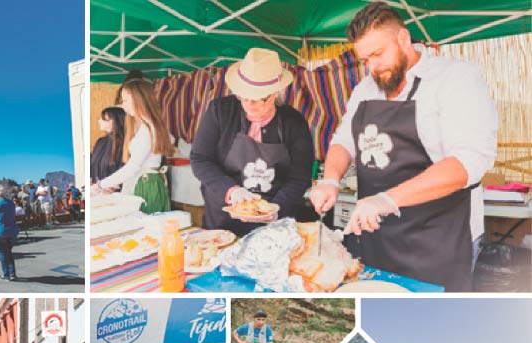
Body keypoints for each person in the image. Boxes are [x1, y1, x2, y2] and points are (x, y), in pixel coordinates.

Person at [309, 2, 496, 291]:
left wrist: (386, 200)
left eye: (378, 54)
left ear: (403, 39)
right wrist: (331, 179)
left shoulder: (455, 79)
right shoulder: (365, 89)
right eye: (365, 60)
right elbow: (343, 141)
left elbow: (467, 162)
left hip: (439, 239)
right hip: (375, 236)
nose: (372, 67)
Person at [191, 47, 314, 237]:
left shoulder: (294, 123)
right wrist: (232, 191)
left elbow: (299, 177)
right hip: (222, 219)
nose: (249, 106)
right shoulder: (220, 111)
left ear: (275, 93)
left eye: (258, 100)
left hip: (273, 225)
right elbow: (200, 159)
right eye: (244, 98)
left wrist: (274, 210)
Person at [92, 78, 174, 214]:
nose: (123, 105)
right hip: (142, 181)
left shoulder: (147, 128)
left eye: (125, 100)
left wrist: (100, 185)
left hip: (145, 185)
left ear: (138, 99)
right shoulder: (146, 125)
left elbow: (133, 167)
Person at [90, 106, 126, 183]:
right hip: (97, 189)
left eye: (104, 119)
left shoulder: (125, 143)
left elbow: (125, 169)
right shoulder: (100, 142)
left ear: (115, 121)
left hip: (115, 190)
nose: (99, 121)